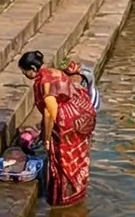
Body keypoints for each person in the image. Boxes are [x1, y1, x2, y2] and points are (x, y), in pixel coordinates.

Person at [18, 50, 95, 206]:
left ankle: (63, 198)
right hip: (82, 113)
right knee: (77, 155)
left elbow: (50, 114)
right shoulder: (50, 72)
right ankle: (77, 192)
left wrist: (46, 139)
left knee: (62, 158)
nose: (24, 74)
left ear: (33, 69)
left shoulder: (44, 83)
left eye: (25, 71)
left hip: (68, 121)